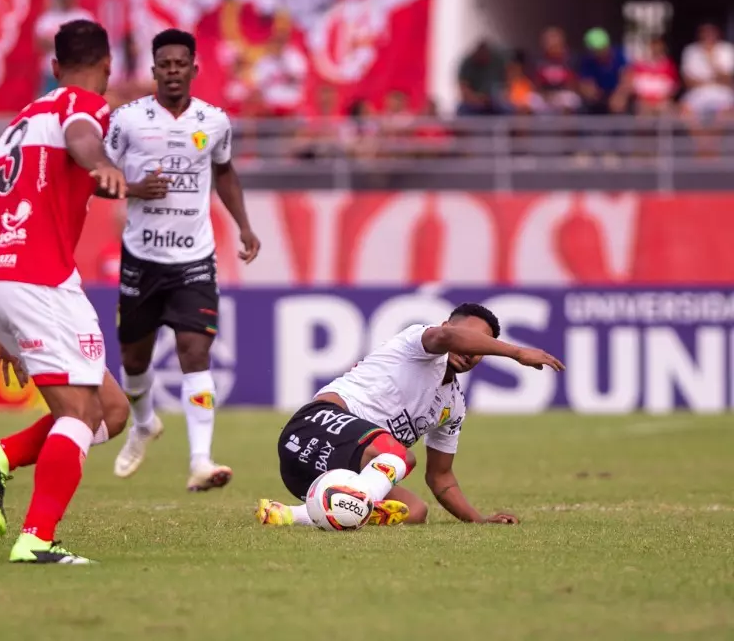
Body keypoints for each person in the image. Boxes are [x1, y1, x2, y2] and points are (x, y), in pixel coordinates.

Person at [0, 19, 127, 564]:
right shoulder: (83, 105)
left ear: (53, 67)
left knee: (110, 410)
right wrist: (101, 163)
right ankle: (36, 539)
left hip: (3, 277)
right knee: (79, 413)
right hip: (39, 280)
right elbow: (82, 135)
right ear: (107, 66)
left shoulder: (19, 122)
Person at [104, 28, 261, 491]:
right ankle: (144, 424)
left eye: (180, 64)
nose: (172, 71)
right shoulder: (128, 120)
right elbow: (96, 173)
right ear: (154, 70)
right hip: (141, 258)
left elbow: (225, 171)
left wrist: (244, 225)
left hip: (194, 259)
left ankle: (200, 461)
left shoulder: (214, 121)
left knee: (196, 352)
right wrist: (133, 188)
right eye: (165, 65)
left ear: (194, 68)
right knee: (134, 358)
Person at [256, 303, 564, 528]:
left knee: (414, 512)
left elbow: (440, 477)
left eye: (480, 349)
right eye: (467, 337)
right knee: (399, 455)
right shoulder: (418, 341)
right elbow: (446, 337)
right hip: (312, 427)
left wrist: (479, 520)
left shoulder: (453, 405)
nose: (471, 351)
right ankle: (353, 503)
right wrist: (516, 352)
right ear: (447, 326)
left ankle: (290, 515)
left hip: (311, 477)